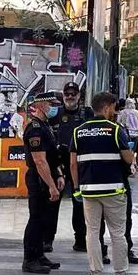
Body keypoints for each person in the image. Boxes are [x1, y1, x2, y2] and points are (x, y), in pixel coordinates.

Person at [70, 92, 135, 275]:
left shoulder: (78, 131)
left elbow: (73, 164)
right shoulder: (115, 130)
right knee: (117, 232)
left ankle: (95, 273)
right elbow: (129, 159)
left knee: (92, 232)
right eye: (114, 107)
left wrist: (76, 188)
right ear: (106, 107)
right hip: (114, 191)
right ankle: (121, 273)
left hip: (89, 190)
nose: (114, 111)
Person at [22, 92, 63, 274]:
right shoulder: (35, 128)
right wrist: (51, 186)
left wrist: (59, 175)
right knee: (36, 219)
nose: (54, 107)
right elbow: (40, 161)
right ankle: (30, 259)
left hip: (49, 176)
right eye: (51, 103)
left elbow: (52, 156)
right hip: (39, 179)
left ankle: (39, 255)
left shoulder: (46, 126)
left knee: (44, 220)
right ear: (40, 105)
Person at [51, 81, 92, 253]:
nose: (69, 97)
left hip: (80, 165)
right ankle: (47, 239)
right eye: (66, 94)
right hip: (60, 164)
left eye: (73, 94)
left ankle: (81, 240)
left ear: (79, 96)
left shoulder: (86, 113)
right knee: (53, 203)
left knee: (79, 203)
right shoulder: (56, 113)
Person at [118, 98, 138, 171]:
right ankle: (131, 164)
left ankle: (126, 164)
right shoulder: (137, 113)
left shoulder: (122, 112)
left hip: (126, 133)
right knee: (133, 150)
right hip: (135, 134)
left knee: (125, 148)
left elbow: (118, 123)